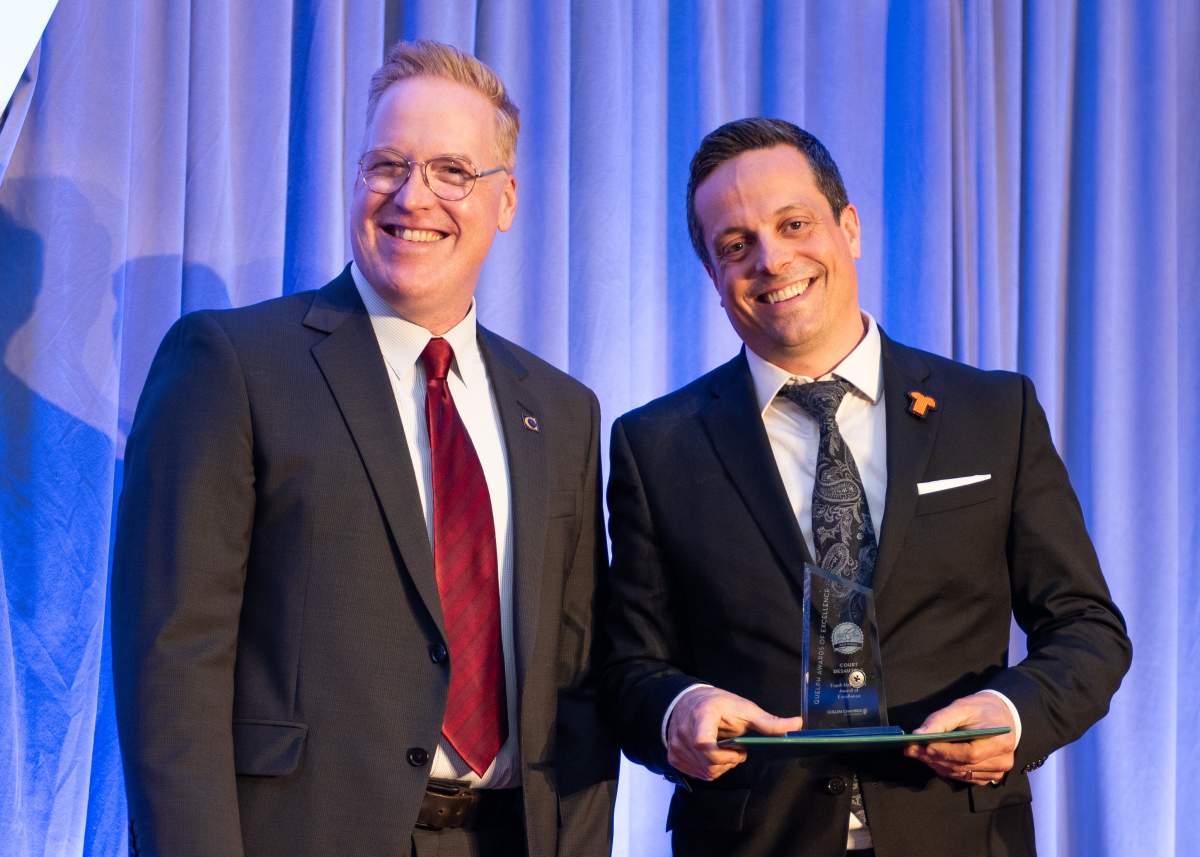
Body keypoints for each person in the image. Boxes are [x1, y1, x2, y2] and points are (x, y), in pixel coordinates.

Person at [112, 40, 615, 857]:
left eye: (452, 171)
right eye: (387, 165)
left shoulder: (561, 411)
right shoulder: (232, 364)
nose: (413, 196)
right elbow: (172, 664)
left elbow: (577, 680)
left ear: (506, 200)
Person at [601, 118, 1131, 856]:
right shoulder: (656, 444)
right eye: (736, 245)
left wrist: (1012, 713)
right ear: (714, 278)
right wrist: (678, 708)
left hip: (961, 833)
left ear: (848, 228)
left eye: (794, 224)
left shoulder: (992, 412)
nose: (772, 259)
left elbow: (1087, 628)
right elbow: (627, 669)